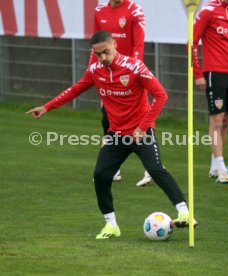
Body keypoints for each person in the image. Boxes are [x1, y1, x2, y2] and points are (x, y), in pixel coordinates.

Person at [26, 30, 197, 239]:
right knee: (100, 175)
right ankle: (111, 225)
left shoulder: (135, 66)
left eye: (106, 52)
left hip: (141, 133)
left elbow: (161, 95)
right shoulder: (95, 70)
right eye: (98, 54)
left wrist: (143, 127)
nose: (103, 58)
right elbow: (75, 90)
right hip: (116, 135)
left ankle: (185, 213)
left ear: (114, 44)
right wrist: (47, 107)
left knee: (155, 169)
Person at [90, 0, 152, 186]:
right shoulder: (99, 11)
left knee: (142, 115)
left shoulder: (135, 10)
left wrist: (133, 72)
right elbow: (95, 48)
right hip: (106, 75)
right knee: (107, 118)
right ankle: (113, 168)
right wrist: (94, 74)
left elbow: (138, 47)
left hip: (129, 74)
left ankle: (151, 168)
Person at [193, 0, 228, 183]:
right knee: (217, 119)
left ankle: (215, 164)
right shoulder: (207, 11)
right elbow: (191, 42)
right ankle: (222, 168)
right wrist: (198, 73)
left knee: (226, 120)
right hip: (214, 73)